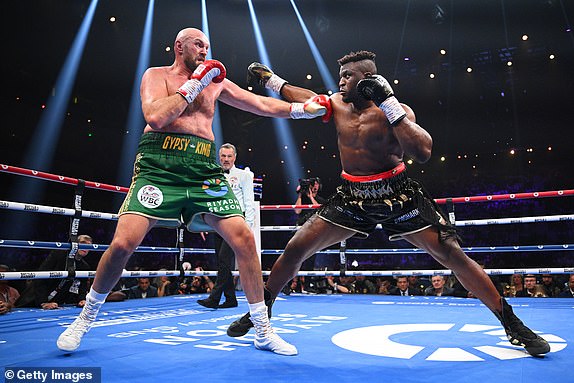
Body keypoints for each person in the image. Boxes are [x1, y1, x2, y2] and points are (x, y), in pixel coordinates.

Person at [226, 51, 550, 356]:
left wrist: (390, 105)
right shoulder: (337, 104)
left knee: (453, 255)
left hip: (398, 194)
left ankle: (513, 324)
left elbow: (423, 152)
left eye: (347, 76)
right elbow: (304, 98)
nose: (340, 82)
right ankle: (262, 313)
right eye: (340, 75)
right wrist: (271, 79)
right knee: (295, 248)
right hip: (352, 195)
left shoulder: (395, 109)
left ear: (368, 79)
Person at [57, 27, 326, 356]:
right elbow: (155, 117)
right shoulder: (156, 76)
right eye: (199, 44)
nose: (205, 50)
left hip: (202, 168)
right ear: (178, 46)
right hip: (159, 163)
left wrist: (300, 110)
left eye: (207, 45)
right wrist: (195, 81)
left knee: (244, 240)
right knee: (124, 243)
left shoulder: (216, 82)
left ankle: (262, 330)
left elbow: (258, 104)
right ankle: (84, 319)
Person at [198, 143, 255, 309]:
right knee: (222, 262)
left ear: (234, 157)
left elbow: (249, 201)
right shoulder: (214, 174)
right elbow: (208, 199)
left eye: (229, 156)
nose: (226, 159)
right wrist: (204, 223)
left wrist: (248, 226)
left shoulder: (244, 175)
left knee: (224, 259)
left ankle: (214, 298)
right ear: (219, 157)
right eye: (223, 156)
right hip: (217, 220)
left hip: (236, 221)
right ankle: (231, 299)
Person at [17, 234, 93, 309]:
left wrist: (82, 299)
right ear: (75, 245)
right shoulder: (58, 255)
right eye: (83, 243)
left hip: (56, 302)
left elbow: (82, 286)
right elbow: (41, 277)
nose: (85, 247)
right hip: (34, 299)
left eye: (88, 245)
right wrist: (43, 302)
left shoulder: (84, 266)